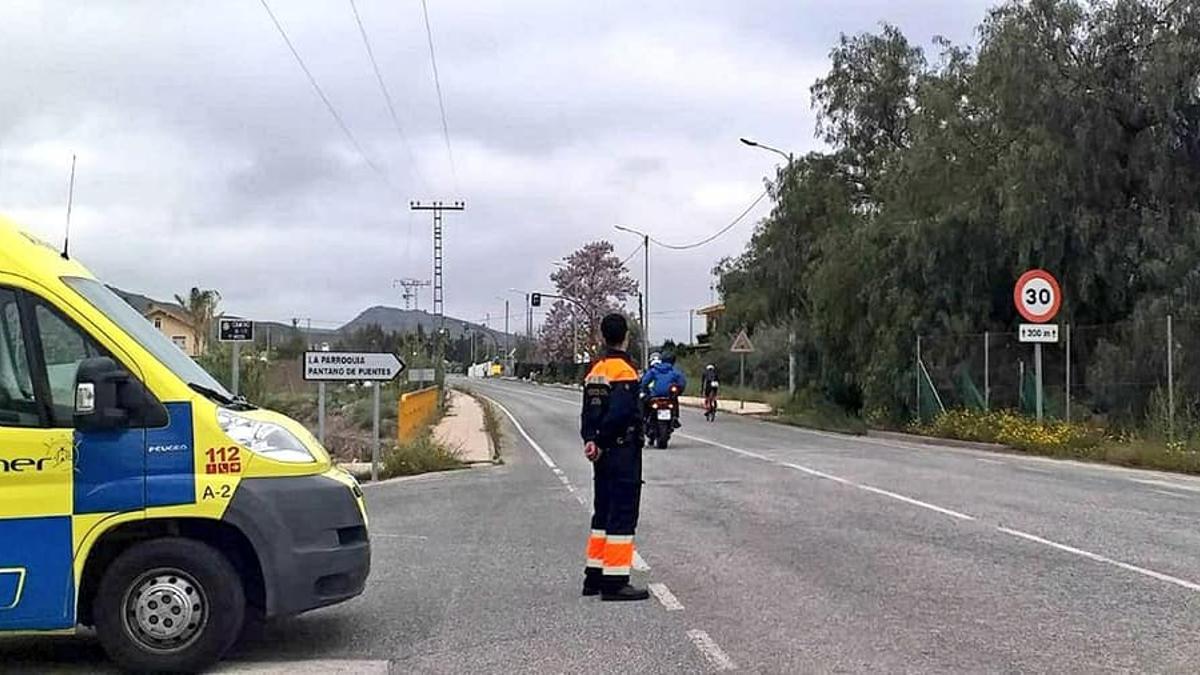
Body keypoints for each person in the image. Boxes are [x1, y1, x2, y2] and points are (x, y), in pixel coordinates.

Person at [580, 313, 649, 601]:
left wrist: (591, 440)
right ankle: (616, 581)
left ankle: (593, 577)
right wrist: (605, 439)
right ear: (626, 337)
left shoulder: (595, 370)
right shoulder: (625, 372)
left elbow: (589, 412)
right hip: (621, 451)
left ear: (602, 337)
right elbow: (620, 413)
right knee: (622, 513)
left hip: (602, 453)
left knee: (603, 512)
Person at [640, 350, 687, 427]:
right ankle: (675, 417)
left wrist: (643, 389)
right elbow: (682, 383)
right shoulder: (675, 371)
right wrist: (679, 391)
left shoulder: (654, 370)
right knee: (675, 400)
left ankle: (645, 419)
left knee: (645, 403)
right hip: (669, 396)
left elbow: (644, 382)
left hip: (654, 396)